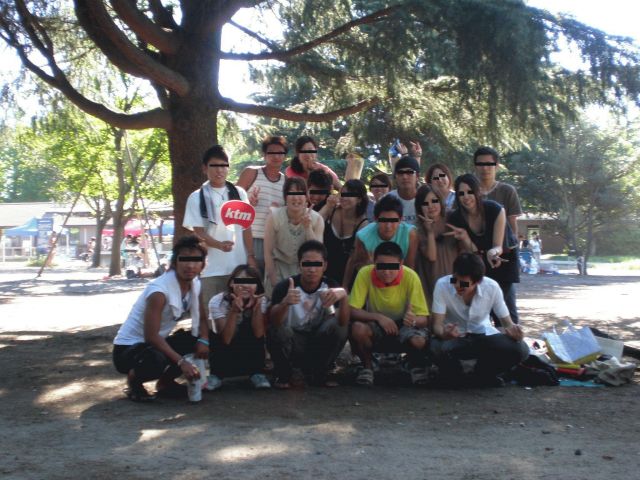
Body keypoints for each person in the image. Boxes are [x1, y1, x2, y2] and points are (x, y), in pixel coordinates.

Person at [112, 235, 210, 402]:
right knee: (156, 359)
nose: (190, 265)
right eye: (184, 259)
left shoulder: (195, 284)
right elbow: (151, 336)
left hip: (154, 344)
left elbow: (201, 318)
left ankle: (165, 383)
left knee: (198, 340)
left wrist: (204, 340)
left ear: (203, 264)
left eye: (196, 260)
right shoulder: (158, 291)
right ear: (174, 262)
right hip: (128, 350)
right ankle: (134, 380)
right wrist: (182, 362)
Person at [430, 253, 529, 387]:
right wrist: (444, 334)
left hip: (483, 336)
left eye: (464, 284)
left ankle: (484, 372)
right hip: (454, 339)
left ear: (477, 282)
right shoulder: (443, 284)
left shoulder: (491, 287)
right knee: (434, 347)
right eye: (454, 280)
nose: (457, 285)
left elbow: (508, 323)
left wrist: (516, 333)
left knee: (521, 349)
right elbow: (437, 325)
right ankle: (456, 374)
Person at [267, 240, 349, 388]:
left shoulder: (331, 285)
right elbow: (273, 322)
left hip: (318, 341)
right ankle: (284, 373)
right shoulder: (285, 286)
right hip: (294, 341)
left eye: (317, 264)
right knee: (277, 329)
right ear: (299, 265)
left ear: (325, 266)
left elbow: (342, 323)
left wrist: (343, 296)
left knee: (338, 327)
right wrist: (285, 303)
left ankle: (321, 371)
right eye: (307, 264)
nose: (312, 269)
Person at [183, 145, 256, 306]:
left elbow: (246, 227)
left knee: (239, 312)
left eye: (224, 165)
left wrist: (250, 256)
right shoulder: (196, 197)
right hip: (211, 270)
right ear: (205, 168)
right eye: (214, 165)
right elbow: (198, 232)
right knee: (213, 313)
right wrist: (219, 245)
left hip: (239, 267)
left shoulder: (239, 193)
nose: (219, 170)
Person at [349, 241, 430, 386]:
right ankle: (368, 366)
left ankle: (413, 364)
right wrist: (378, 317)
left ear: (401, 264)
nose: (386, 271)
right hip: (376, 324)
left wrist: (413, 320)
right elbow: (352, 310)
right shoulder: (364, 273)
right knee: (357, 328)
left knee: (419, 340)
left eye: (392, 267)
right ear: (374, 262)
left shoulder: (411, 276)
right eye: (381, 266)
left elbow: (424, 318)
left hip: (405, 324)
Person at [446, 174, 520, 323]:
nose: (466, 197)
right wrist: (466, 239)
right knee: (482, 309)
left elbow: (498, 246)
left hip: (503, 259)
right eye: (461, 193)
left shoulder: (495, 209)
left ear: (478, 191)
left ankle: (509, 333)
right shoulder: (456, 218)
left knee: (504, 310)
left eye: (470, 192)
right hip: (478, 262)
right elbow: (473, 252)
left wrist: (492, 253)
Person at [207, 264, 271, 390]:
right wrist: (234, 312)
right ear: (232, 283)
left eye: (251, 281)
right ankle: (216, 375)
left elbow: (259, 333)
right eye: (241, 280)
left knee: (252, 329)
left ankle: (257, 373)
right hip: (225, 352)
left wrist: (257, 308)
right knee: (212, 334)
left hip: (249, 351)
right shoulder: (217, 301)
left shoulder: (261, 300)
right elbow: (226, 339)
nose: (246, 285)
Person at [263, 177, 324, 296]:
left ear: (306, 197)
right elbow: (268, 253)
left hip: (303, 272)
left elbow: (317, 253)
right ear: (285, 197)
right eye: (291, 193)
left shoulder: (317, 219)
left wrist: (308, 227)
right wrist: (275, 282)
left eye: (300, 193)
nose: (296, 198)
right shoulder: (274, 217)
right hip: (278, 268)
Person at [236, 136, 287, 276]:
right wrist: (247, 203)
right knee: (249, 281)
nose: (276, 156)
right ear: (264, 154)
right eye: (271, 152)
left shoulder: (286, 182)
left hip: (274, 241)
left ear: (284, 156)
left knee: (269, 283)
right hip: (249, 238)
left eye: (280, 153)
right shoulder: (251, 173)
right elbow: (232, 203)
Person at [344, 194, 417, 287]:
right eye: (384, 220)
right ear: (376, 219)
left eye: (393, 220)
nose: (388, 226)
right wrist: (344, 286)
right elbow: (353, 261)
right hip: (372, 282)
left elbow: (410, 267)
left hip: (401, 282)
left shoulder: (410, 234)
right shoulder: (363, 237)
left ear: (401, 220)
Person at [414, 184, 458, 308]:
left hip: (454, 279)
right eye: (425, 203)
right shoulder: (418, 228)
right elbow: (432, 256)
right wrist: (430, 232)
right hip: (431, 281)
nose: (431, 206)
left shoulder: (453, 218)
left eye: (434, 201)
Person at [319, 179, 369, 287]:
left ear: (359, 199)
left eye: (350, 195)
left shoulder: (363, 224)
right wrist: (327, 206)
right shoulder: (332, 210)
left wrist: (344, 286)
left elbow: (353, 259)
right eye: (343, 194)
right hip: (323, 272)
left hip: (347, 276)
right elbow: (314, 223)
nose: (344, 198)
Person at [473, 146, 523, 238]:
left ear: (496, 166)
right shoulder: (467, 191)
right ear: (475, 166)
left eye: (489, 164)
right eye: (480, 164)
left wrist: (514, 243)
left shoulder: (508, 191)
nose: (484, 168)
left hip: (502, 244)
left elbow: (512, 224)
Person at [385, 156, 420, 224]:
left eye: (409, 172)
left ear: (417, 176)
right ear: (396, 177)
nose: (404, 177)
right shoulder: (387, 200)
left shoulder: (425, 198)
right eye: (400, 173)